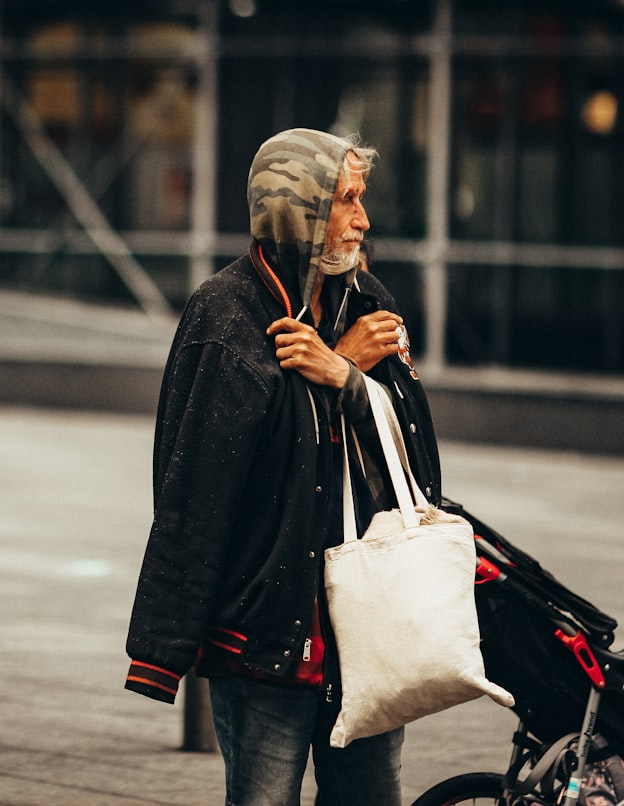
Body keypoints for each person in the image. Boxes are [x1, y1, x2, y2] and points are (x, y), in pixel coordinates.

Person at [123, 128, 441, 805]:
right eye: (346, 200)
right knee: (264, 798)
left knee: (371, 795)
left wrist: (345, 375)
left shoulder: (369, 298)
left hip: (367, 625)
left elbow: (414, 449)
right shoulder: (226, 311)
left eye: (362, 199)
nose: (364, 218)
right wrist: (165, 645)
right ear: (295, 210)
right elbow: (200, 484)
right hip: (268, 631)